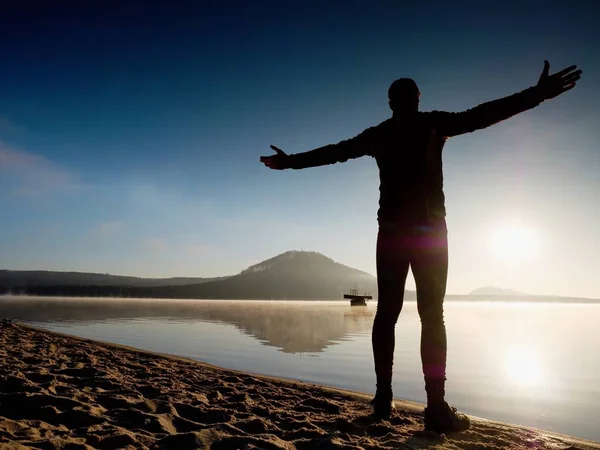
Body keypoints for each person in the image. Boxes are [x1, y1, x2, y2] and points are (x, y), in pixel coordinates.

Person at [259, 61, 581, 433]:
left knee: (387, 314)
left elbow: (334, 151)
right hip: (428, 234)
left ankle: (383, 400)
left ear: (391, 103)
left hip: (392, 233)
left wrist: (290, 163)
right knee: (431, 314)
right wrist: (536, 96)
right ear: (415, 99)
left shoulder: (380, 133)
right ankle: (435, 407)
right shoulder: (432, 123)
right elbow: (483, 114)